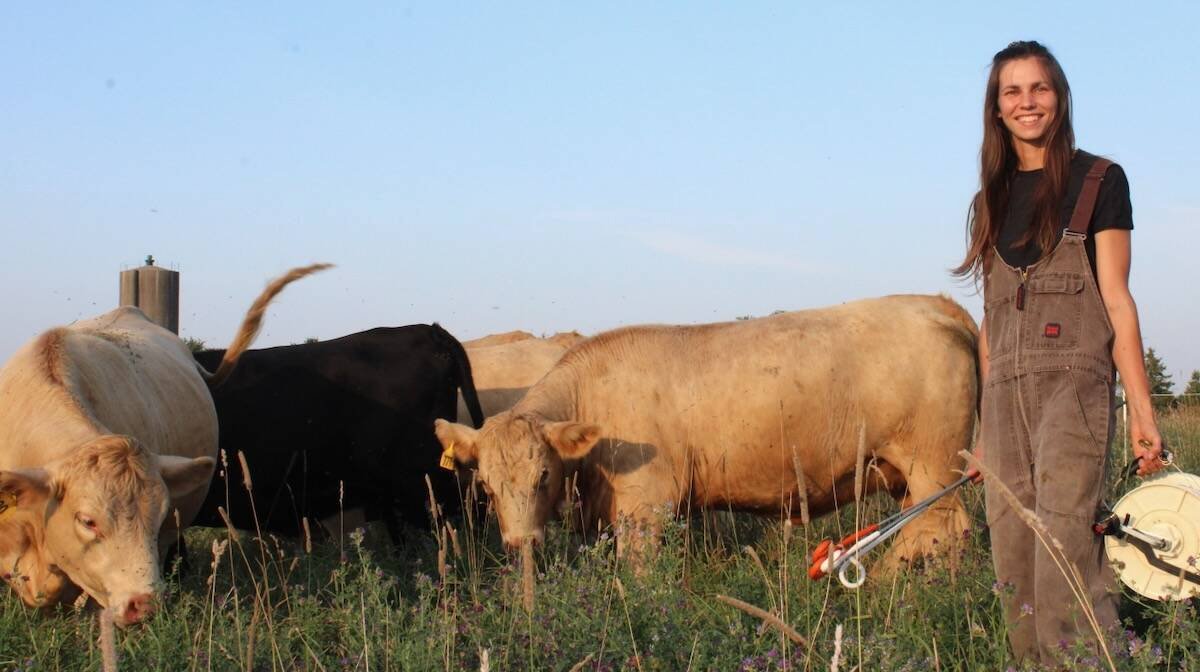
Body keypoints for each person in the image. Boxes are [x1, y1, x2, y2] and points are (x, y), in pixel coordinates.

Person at [954, 40, 1166, 665]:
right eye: (1012, 91)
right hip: (1004, 400)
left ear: (1060, 97)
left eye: (1039, 88)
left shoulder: (1098, 180)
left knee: (1065, 547)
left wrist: (1142, 410)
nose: (1027, 102)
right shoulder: (989, 200)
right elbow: (992, 321)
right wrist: (985, 430)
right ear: (997, 109)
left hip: (1073, 390)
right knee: (1012, 556)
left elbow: (1117, 300)